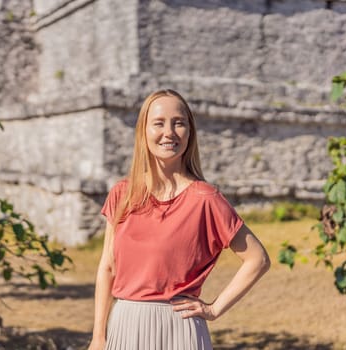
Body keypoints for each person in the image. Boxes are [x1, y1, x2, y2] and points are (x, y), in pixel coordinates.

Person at [87, 89, 270, 350]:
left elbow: (258, 259)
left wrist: (215, 309)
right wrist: (98, 336)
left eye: (179, 123)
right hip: (125, 324)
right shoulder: (122, 194)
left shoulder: (206, 199)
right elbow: (107, 268)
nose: (169, 132)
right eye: (159, 123)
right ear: (143, 131)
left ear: (190, 133)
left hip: (180, 329)